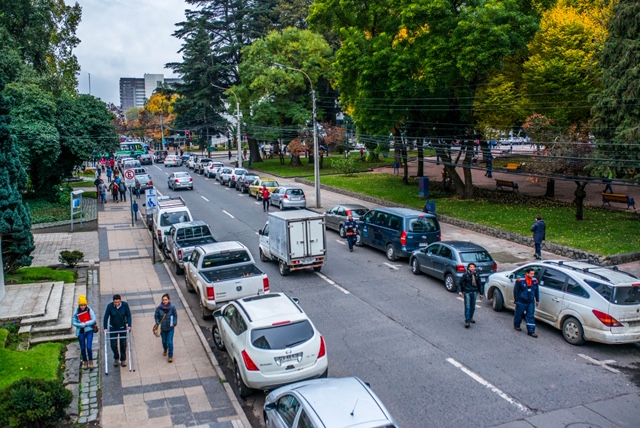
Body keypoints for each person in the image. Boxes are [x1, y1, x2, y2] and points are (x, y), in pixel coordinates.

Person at [103, 294, 132, 367]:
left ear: (120, 300)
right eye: (115, 302)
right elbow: (106, 317)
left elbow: (128, 315)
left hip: (122, 327)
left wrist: (129, 325)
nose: (116, 304)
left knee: (123, 344)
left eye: (118, 302)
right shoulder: (110, 306)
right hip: (113, 328)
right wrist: (105, 328)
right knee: (113, 345)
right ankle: (116, 357)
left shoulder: (125, 305)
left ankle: (123, 359)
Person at [72, 294, 97, 370]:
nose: (83, 307)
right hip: (81, 332)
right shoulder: (76, 312)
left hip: (89, 330)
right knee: (82, 348)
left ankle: (91, 361)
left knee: (89, 347)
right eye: (81, 305)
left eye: (84, 305)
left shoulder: (89, 310)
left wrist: (86, 323)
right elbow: (73, 322)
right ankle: (85, 361)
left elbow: (93, 319)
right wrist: (80, 325)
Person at [513, 268, 540, 338]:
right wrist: (516, 300)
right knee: (519, 314)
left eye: (533, 274)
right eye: (531, 274)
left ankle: (531, 331)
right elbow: (516, 291)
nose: (533, 275)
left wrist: (537, 300)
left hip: (530, 302)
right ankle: (517, 325)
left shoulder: (535, 281)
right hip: (521, 301)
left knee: (530, 316)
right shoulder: (520, 281)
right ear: (527, 273)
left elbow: (536, 291)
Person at [457, 263, 483, 328]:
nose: (472, 268)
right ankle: (467, 320)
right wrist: (460, 291)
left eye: (473, 267)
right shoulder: (466, 275)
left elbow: (480, 284)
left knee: (473, 307)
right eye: (471, 267)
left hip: (474, 292)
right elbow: (460, 283)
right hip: (467, 292)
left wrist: (481, 293)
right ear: (468, 268)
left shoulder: (477, 275)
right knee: (467, 307)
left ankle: (471, 317)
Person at [154, 293, 178, 363]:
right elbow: (156, 316)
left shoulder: (172, 308)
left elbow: (175, 316)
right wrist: (158, 323)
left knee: (170, 342)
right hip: (163, 329)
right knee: (164, 341)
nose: (165, 301)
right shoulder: (158, 308)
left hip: (170, 328)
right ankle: (165, 349)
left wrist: (174, 322)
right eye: (163, 300)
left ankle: (170, 356)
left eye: (166, 300)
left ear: (169, 300)